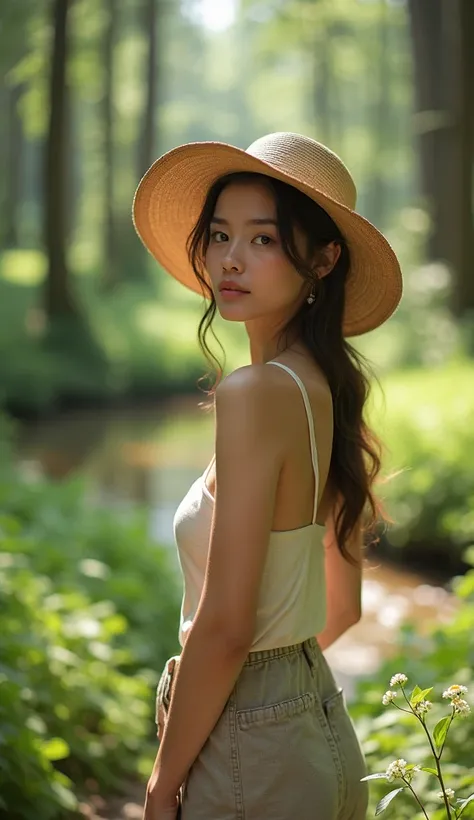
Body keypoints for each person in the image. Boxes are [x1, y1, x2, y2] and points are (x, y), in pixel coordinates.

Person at [132, 131, 403, 820]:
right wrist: (279, 691)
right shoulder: (325, 389)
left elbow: (225, 626)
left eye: (263, 239)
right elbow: (341, 609)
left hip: (255, 756)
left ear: (322, 258)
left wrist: (163, 787)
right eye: (221, 235)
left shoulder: (254, 394)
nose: (231, 258)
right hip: (321, 738)